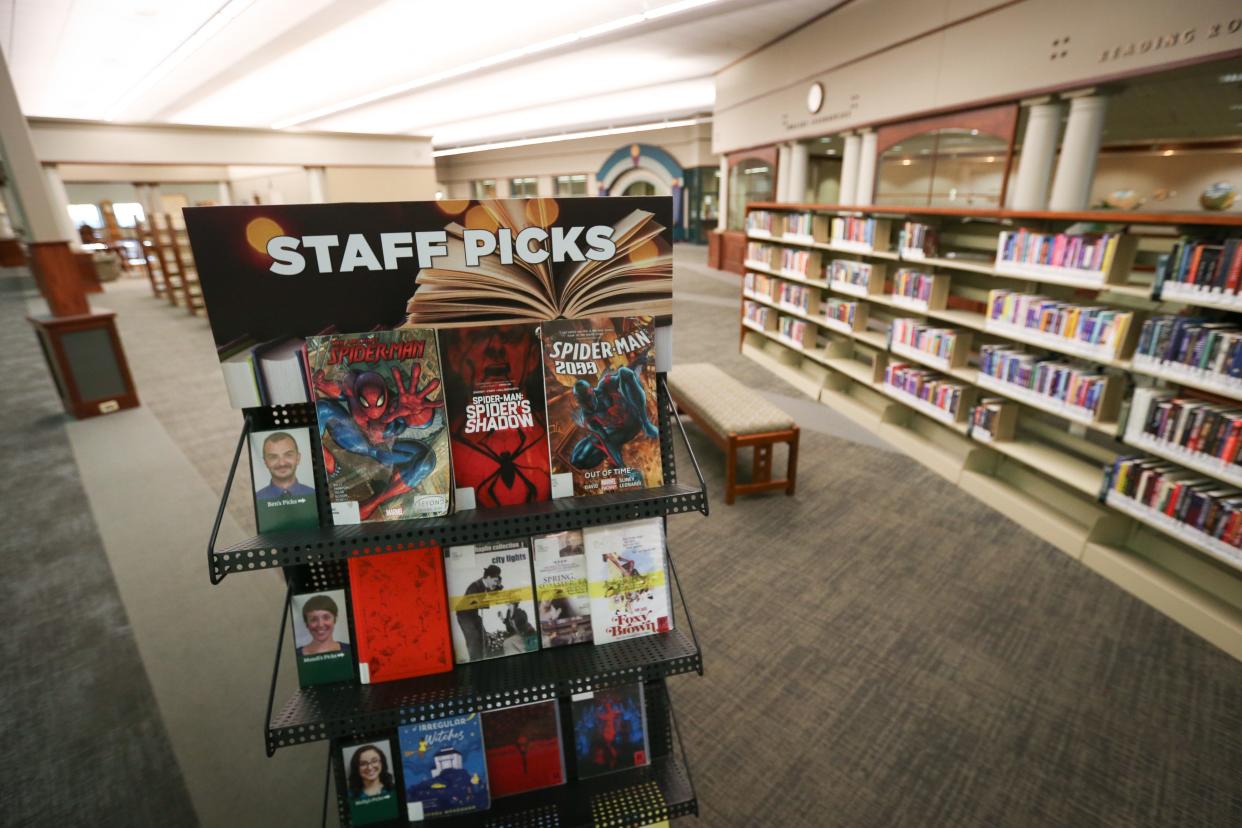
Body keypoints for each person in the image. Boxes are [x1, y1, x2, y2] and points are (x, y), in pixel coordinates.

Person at [457, 565, 501, 660]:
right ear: (488, 577)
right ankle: (475, 661)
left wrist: (497, 588)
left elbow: (491, 592)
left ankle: (484, 659)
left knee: (483, 638)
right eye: (495, 581)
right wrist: (487, 600)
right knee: (473, 639)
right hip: (464, 615)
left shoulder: (486, 584)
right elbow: (472, 603)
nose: (495, 583)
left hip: (473, 614)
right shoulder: (474, 586)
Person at [255, 431, 316, 500]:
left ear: (298, 458)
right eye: (273, 457)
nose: (282, 463)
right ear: (265, 462)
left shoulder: (314, 495)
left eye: (288, 455)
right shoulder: (256, 499)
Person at [296, 594, 351, 658]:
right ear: (306, 624)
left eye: (326, 617)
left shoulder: (349, 650)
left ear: (335, 620)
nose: (320, 625)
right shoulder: (296, 655)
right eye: (314, 619)